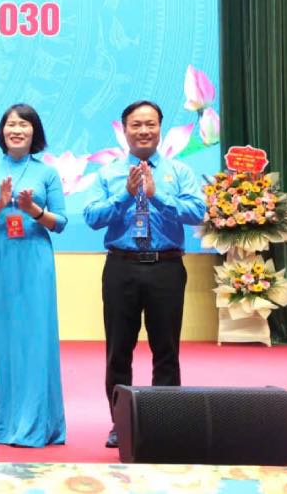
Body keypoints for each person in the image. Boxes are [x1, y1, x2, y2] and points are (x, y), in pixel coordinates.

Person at [83, 100, 205, 448]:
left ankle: (165, 421)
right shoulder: (107, 174)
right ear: (125, 130)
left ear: (160, 129)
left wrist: (158, 195)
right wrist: (125, 195)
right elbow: (92, 217)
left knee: (165, 348)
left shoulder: (179, 172)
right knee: (118, 350)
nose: (144, 131)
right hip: (121, 266)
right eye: (136, 125)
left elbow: (198, 212)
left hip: (166, 266)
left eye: (150, 124)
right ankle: (120, 423)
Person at [0, 104, 67, 447]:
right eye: (11, 124)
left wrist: (33, 210)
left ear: (34, 131)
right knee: (0, 335)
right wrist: (0, 205)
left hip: (34, 256)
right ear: (2, 131)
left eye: (24, 124)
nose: (17, 130)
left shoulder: (47, 173)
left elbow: (61, 223)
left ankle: (35, 422)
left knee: (34, 338)